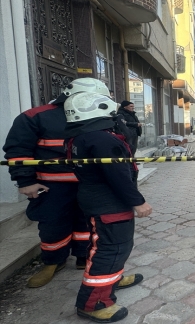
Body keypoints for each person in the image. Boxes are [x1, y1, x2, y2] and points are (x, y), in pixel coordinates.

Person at [1, 77, 112, 288]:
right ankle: (53, 262)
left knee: (86, 224)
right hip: (51, 187)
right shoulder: (35, 117)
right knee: (52, 225)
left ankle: (82, 257)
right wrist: (25, 181)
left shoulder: (98, 115)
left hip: (88, 185)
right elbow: (18, 152)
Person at [64, 92, 151, 323]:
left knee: (107, 245)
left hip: (97, 200)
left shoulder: (78, 136)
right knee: (112, 249)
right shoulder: (101, 139)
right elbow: (118, 176)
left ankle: (113, 278)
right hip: (110, 204)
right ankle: (94, 303)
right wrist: (138, 201)